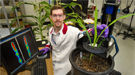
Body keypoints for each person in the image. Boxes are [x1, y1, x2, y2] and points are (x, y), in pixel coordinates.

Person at [40, 5, 109, 75]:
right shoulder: (50, 30)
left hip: (65, 68)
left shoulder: (72, 31)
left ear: (64, 17)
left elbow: (83, 33)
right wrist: (47, 47)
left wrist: (93, 32)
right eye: (54, 15)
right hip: (52, 63)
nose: (57, 18)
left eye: (60, 15)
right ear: (51, 17)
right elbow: (51, 42)